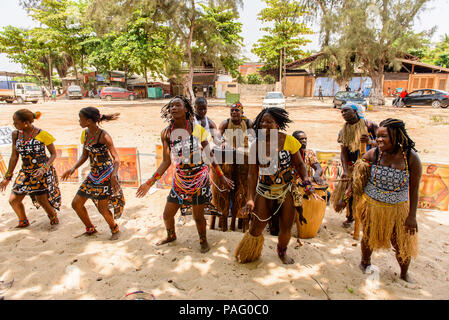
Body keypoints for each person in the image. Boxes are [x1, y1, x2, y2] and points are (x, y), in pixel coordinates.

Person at [136, 96, 234, 253]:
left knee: (198, 217)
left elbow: (209, 155)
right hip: (180, 179)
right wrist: (149, 183)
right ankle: (171, 236)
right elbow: (166, 162)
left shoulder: (197, 130)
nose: (173, 108)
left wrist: (221, 176)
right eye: (171, 106)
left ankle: (203, 241)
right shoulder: (166, 133)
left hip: (199, 179)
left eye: (177, 105)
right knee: (167, 215)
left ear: (186, 109)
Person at [235, 107, 314, 265]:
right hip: (264, 190)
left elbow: (300, 164)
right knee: (257, 227)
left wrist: (306, 181)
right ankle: (251, 252)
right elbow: (252, 174)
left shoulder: (289, 141)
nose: (265, 124)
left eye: (269, 122)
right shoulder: (256, 145)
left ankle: (281, 251)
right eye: (262, 121)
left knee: (285, 226)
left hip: (286, 190)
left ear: (277, 124)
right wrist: (250, 199)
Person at [351, 118, 421, 282]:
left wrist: (412, 216)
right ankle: (365, 262)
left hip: (398, 209)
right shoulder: (374, 153)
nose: (379, 140)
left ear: (397, 136)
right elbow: (358, 175)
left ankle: (404, 273)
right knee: (368, 237)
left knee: (401, 243)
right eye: (378, 136)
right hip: (373, 206)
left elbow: (415, 189)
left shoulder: (411, 158)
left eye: (384, 136)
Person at [61, 107, 125, 240]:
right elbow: (84, 155)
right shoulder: (85, 134)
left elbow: (117, 159)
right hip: (93, 174)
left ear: (89, 121)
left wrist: (113, 175)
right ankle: (90, 228)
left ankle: (114, 228)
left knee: (102, 208)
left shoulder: (104, 136)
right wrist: (72, 169)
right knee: (76, 204)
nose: (79, 121)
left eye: (81, 119)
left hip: (106, 174)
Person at [0, 109, 61, 228]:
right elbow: (14, 156)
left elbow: (53, 154)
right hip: (25, 172)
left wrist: (43, 168)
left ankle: (53, 217)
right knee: (13, 200)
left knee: (41, 199)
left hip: (41, 171)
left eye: (16, 122)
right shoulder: (16, 134)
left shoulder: (42, 134)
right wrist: (7, 176)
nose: (14, 125)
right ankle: (23, 221)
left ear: (26, 123)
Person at [331, 104, 378, 229]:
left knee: (367, 194)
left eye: (346, 110)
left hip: (369, 165)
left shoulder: (370, 125)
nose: (343, 113)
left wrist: (370, 142)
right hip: (352, 166)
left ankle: (368, 218)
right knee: (350, 192)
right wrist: (346, 170)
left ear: (355, 111)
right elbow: (344, 152)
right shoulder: (343, 131)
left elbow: (383, 143)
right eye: (342, 111)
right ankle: (350, 216)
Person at [213, 102, 255, 231]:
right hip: (229, 157)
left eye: (236, 111)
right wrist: (223, 141)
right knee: (228, 187)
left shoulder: (248, 123)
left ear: (242, 112)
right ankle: (226, 213)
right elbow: (216, 136)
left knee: (242, 187)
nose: (234, 113)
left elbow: (255, 137)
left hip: (244, 158)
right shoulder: (225, 123)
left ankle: (242, 217)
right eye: (232, 111)